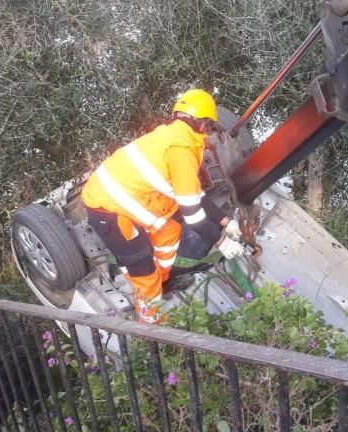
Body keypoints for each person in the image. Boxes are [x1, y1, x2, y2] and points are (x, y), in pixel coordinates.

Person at [82, 89, 243, 323]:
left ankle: (162, 280)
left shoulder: (176, 137)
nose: (209, 132)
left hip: (130, 198)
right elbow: (193, 215)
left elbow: (195, 196)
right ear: (201, 124)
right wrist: (222, 241)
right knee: (143, 269)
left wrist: (226, 222)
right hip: (108, 208)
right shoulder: (181, 151)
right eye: (209, 126)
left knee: (170, 231)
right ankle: (151, 323)